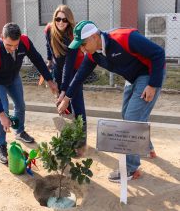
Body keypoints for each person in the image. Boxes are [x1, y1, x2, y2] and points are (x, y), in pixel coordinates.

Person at [57, 20, 166, 182]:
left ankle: (130, 169)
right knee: (127, 114)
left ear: (94, 37)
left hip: (149, 75)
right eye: (79, 46)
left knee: (131, 119)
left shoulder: (125, 38)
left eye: (83, 44)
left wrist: (153, 84)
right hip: (133, 78)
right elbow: (79, 76)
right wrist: (66, 99)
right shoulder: (93, 54)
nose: (82, 49)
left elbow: (158, 53)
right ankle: (146, 146)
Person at [0, 22, 58, 164]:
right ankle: (1, 145)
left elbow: (37, 59)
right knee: (3, 111)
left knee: (20, 105)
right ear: (2, 37)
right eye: (9, 45)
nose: (13, 49)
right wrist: (1, 115)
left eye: (15, 45)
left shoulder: (24, 41)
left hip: (13, 78)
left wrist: (49, 80)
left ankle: (19, 132)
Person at [44, 5, 86, 155]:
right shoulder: (49, 29)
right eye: (58, 19)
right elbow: (48, 46)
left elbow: (69, 66)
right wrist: (49, 60)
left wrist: (64, 92)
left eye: (64, 20)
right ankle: (67, 138)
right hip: (57, 69)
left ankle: (81, 142)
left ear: (69, 21)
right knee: (63, 108)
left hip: (74, 70)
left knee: (77, 104)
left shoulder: (73, 37)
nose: (61, 22)